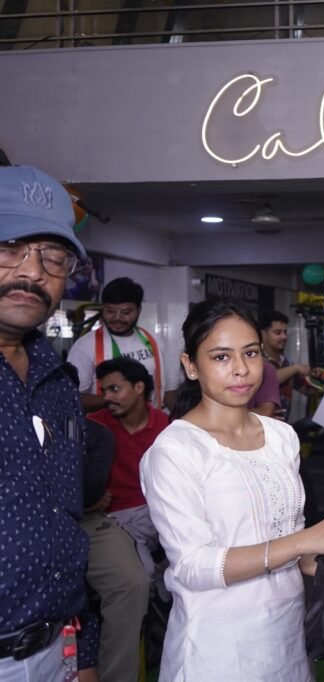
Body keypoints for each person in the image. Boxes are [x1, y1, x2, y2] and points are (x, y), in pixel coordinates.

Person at [139, 297, 324, 681]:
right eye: (221, 357)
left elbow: (297, 549)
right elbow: (192, 566)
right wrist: (306, 540)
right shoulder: (175, 451)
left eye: (250, 353)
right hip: (218, 647)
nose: (241, 369)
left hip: (287, 636)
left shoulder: (280, 437)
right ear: (191, 365)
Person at [0, 164, 98, 680]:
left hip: (56, 648)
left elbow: (64, 521)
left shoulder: (57, 382)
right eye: (9, 248)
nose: (33, 272)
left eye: (53, 257)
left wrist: (83, 654)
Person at [88, 357, 169, 593]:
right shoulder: (94, 426)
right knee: (141, 576)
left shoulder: (166, 425)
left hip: (161, 511)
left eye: (115, 389)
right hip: (118, 518)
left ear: (139, 387)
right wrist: (90, 501)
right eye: (104, 391)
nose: (107, 397)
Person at [81, 418, 150, 682]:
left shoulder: (96, 434)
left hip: (86, 519)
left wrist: (82, 501)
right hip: (22, 520)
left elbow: (91, 490)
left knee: (132, 581)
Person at [67, 276, 178, 412]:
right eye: (110, 311)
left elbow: (169, 390)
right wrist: (113, 398)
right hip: (106, 425)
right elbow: (72, 398)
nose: (117, 318)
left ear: (139, 310)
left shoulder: (154, 340)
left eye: (126, 312)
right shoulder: (85, 346)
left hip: (152, 423)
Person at [258, 310, 310, 419]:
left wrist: (321, 378)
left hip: (282, 425)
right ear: (263, 334)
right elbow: (269, 379)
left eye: (285, 332)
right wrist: (295, 368)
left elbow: (306, 389)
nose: (284, 337)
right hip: (260, 424)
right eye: (278, 333)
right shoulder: (256, 360)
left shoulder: (287, 363)